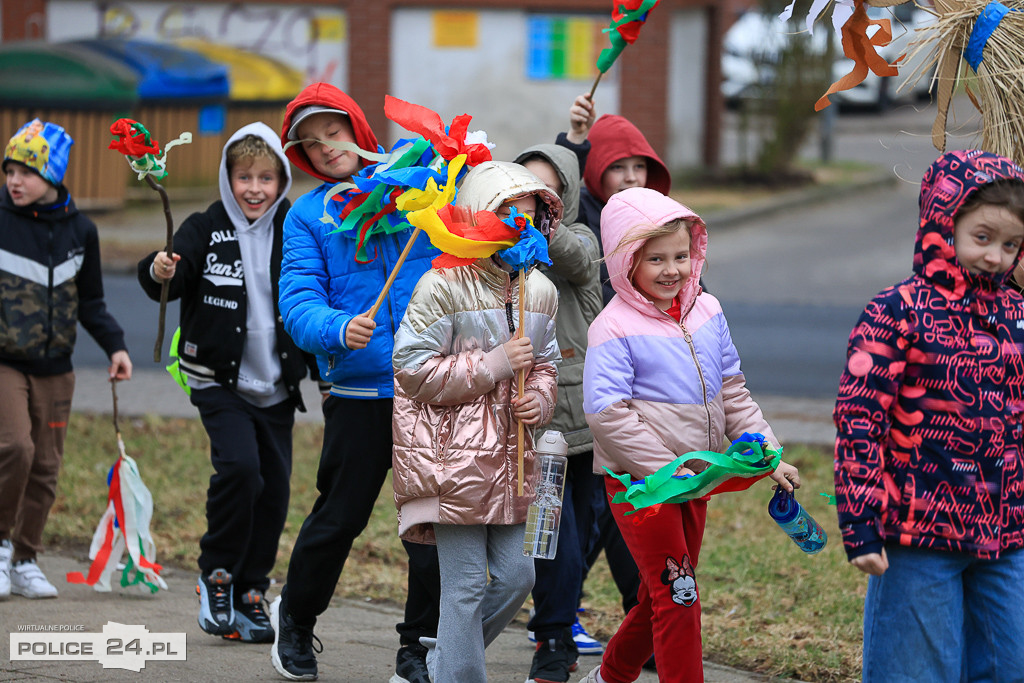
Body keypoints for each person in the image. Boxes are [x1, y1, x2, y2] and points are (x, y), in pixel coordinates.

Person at [578, 187, 800, 683]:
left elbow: (733, 391)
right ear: (626, 262)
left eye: (680, 256)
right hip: (642, 488)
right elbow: (606, 413)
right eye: (654, 258)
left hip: (694, 480)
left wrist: (769, 456)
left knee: (666, 590)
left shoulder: (708, 310)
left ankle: (608, 676)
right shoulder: (612, 328)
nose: (670, 270)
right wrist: (670, 472)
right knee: (679, 596)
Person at [268, 82, 441, 683]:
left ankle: (419, 647)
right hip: (360, 390)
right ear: (304, 158)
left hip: (430, 386)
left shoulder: (411, 186)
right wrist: (340, 328)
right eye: (312, 144)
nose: (327, 147)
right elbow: (297, 304)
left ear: (357, 129)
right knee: (341, 515)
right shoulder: (307, 215)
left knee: (430, 525)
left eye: (334, 131)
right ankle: (295, 617)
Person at [833, 149, 1024, 682]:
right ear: (944, 223)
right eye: (982, 237)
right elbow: (860, 420)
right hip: (920, 534)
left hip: (1007, 533)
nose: (995, 257)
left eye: (1010, 245)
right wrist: (861, 524)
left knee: (1012, 663)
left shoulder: (1017, 313)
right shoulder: (896, 312)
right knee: (916, 670)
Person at [137, 122, 316, 642]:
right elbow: (164, 276)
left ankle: (251, 590)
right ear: (227, 178)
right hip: (217, 380)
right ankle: (217, 575)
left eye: (265, 177)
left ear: (281, 180)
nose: (254, 188)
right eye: (244, 177)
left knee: (275, 491)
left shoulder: (293, 224)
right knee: (241, 470)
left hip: (278, 385)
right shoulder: (204, 226)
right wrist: (160, 269)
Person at [391, 160, 561, 683]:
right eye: (503, 211)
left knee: (517, 577)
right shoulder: (442, 284)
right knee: (463, 586)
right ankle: (459, 675)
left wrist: (538, 397)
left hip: (510, 462)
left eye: (528, 211)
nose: (517, 221)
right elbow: (411, 368)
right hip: (450, 462)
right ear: (475, 217)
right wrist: (494, 365)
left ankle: (444, 660)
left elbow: (548, 362)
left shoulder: (542, 291)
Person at [0, 119, 133, 600]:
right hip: (6, 362)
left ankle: (25, 558)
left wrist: (116, 346)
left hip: (57, 368)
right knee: (16, 448)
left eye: (27, 171)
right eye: (10, 169)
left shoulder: (82, 231)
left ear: (53, 176)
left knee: (46, 467)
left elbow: (92, 302)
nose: (15, 180)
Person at [511, 143, 604, 683]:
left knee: (586, 532)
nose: (532, 203)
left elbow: (573, 257)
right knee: (554, 538)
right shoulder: (501, 251)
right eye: (523, 191)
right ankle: (553, 641)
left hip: (585, 427)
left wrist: (544, 226)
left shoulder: (580, 242)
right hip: (539, 427)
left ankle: (558, 618)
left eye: (547, 194)